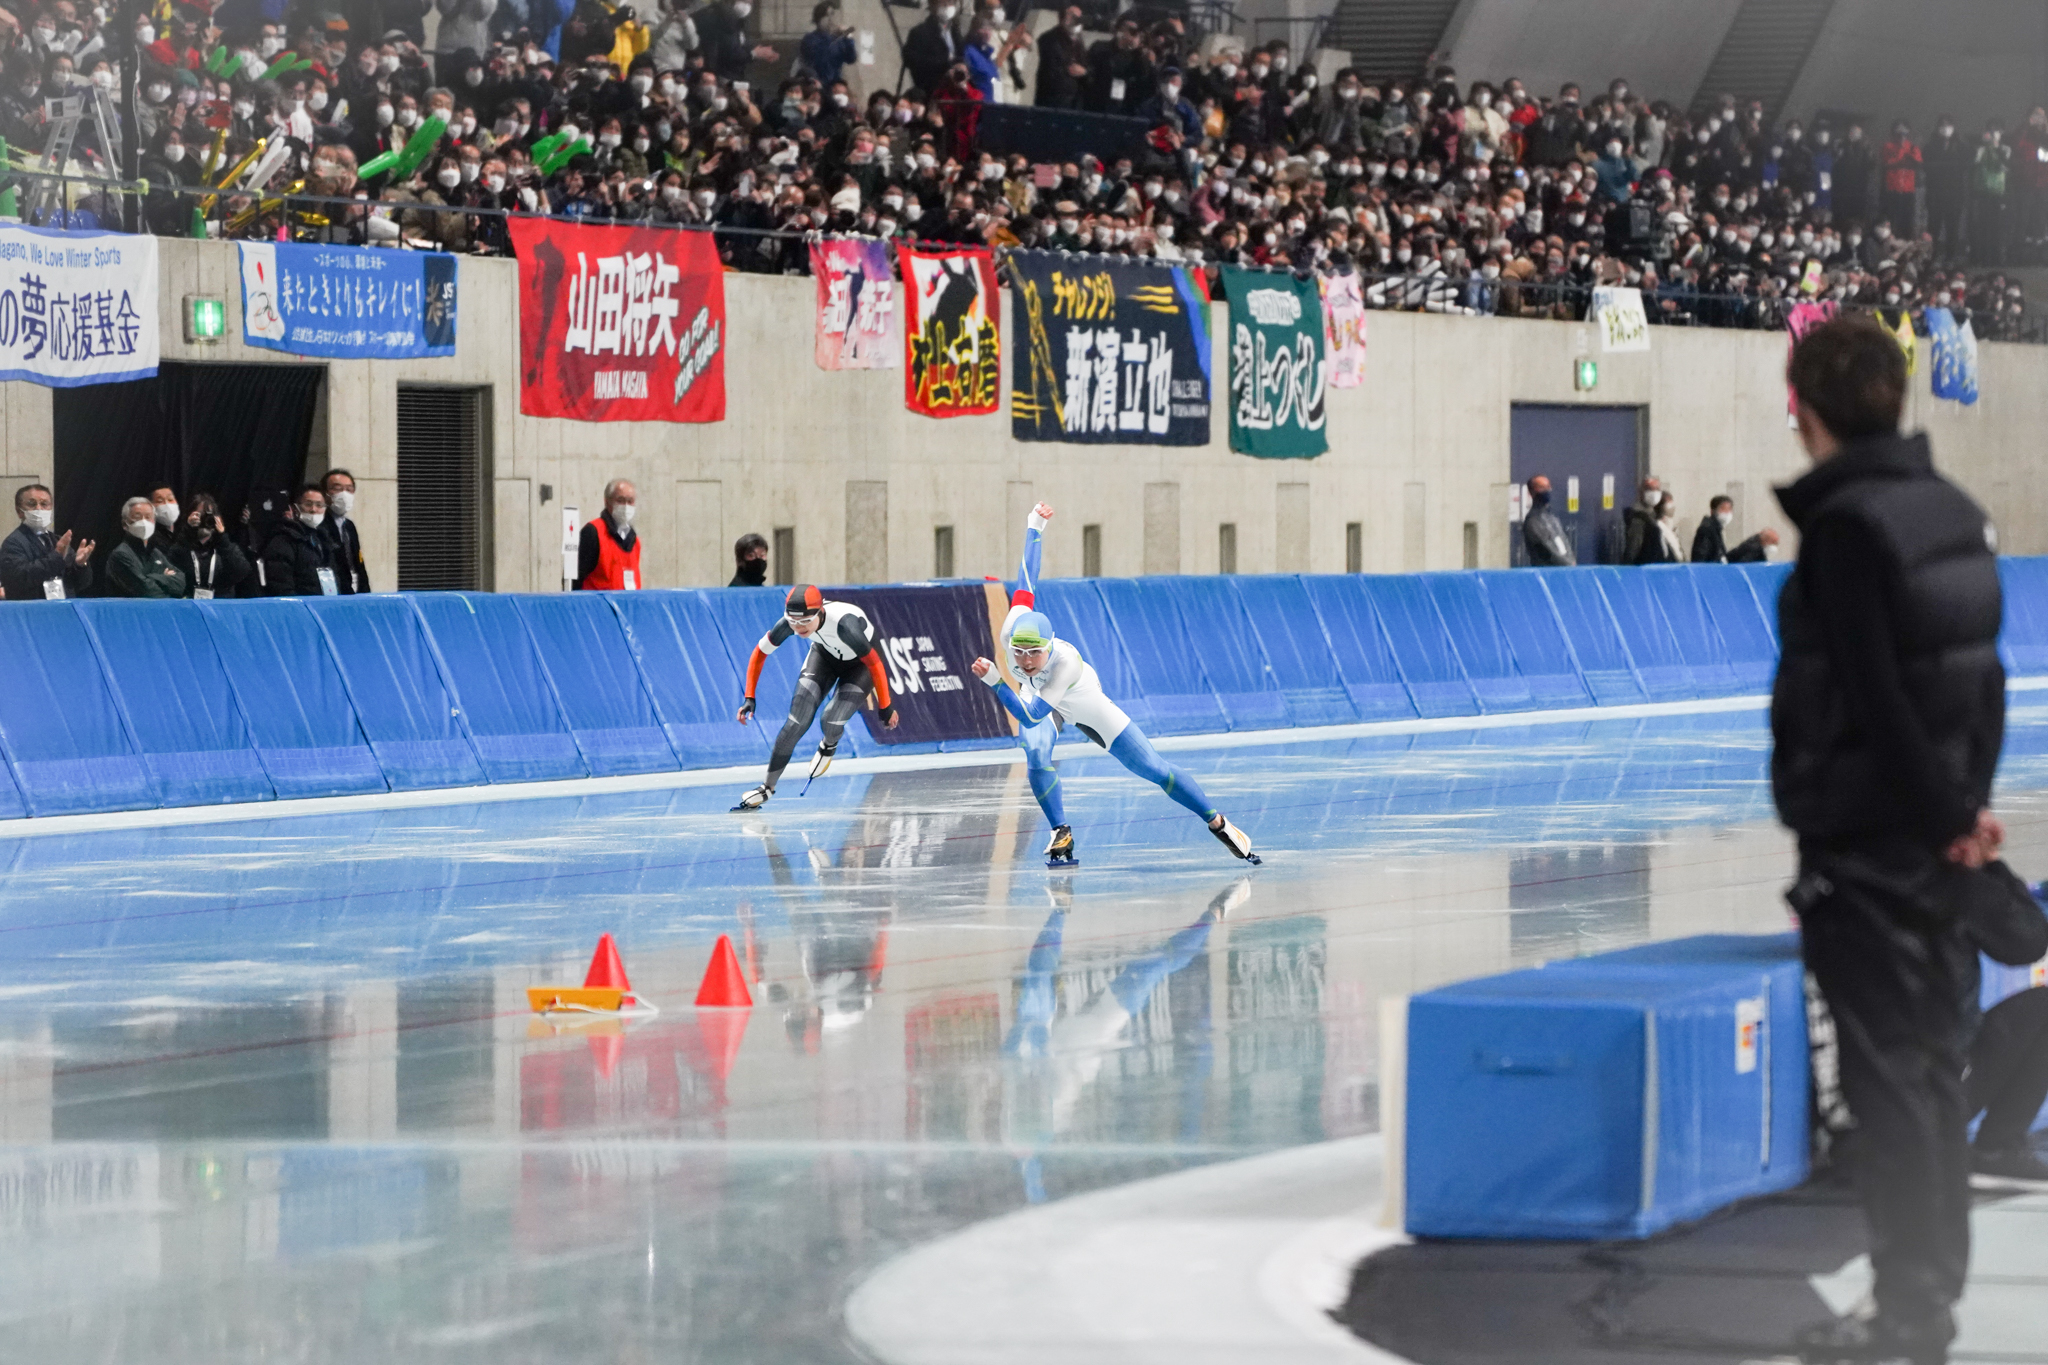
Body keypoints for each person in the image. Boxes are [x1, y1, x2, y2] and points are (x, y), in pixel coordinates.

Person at [1775, 315, 2005, 1365]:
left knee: (1887, 1088)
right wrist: (1965, 814)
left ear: (1803, 407)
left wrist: (1942, 816)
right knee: (1926, 1074)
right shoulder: (1951, 514)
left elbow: (1870, 698)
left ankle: (1906, 1308)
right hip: (1934, 845)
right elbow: (1981, 688)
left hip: (1870, 851)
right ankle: (1926, 1299)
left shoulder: (1848, 531)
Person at [969, 502, 1258, 868]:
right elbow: (1027, 578)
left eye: (1033, 654)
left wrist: (996, 680)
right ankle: (1062, 830)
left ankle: (1218, 822)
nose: (1025, 661)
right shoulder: (1013, 624)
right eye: (1019, 653)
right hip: (1038, 697)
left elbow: (1029, 716)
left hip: (1081, 698)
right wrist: (1035, 526)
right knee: (1036, 753)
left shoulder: (1064, 664)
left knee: (1154, 769)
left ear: (1049, 646)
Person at [731, 583, 899, 809]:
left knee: (830, 719)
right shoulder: (790, 623)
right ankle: (767, 787)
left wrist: (885, 707)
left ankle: (829, 743)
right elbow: (759, 653)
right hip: (824, 656)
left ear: (819, 612)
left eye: (804, 622)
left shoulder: (845, 626)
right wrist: (749, 696)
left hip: (860, 667)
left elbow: (876, 664)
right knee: (795, 721)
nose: (798, 628)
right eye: (793, 622)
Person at [0, 483, 92, 601]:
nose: (39, 508)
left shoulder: (58, 541)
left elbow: (82, 584)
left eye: (44, 504)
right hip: (33, 611)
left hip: (62, 609)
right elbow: (19, 579)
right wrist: (56, 556)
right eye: (32, 504)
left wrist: (80, 565)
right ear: (19, 511)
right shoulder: (13, 543)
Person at [168, 494, 253, 600]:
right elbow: (172, 563)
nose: (204, 521)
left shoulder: (224, 547)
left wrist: (222, 538)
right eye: (200, 515)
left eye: (209, 516)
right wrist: (188, 531)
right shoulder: (183, 545)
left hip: (219, 607)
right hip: (189, 606)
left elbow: (242, 571)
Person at [262, 485, 342, 596]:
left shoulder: (324, 539)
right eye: (308, 504)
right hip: (300, 607)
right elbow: (280, 584)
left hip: (326, 604)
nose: (314, 510)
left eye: (319, 505)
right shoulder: (284, 539)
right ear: (296, 508)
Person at [107, 496, 189, 599]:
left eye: (148, 517)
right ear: (125, 524)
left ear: (154, 521)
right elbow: (146, 591)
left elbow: (180, 583)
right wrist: (164, 578)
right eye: (137, 517)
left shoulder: (155, 553)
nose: (143, 521)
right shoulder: (121, 554)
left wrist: (151, 577)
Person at [576, 479, 641, 590]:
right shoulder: (593, 533)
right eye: (620, 500)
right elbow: (575, 577)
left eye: (630, 501)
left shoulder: (635, 541)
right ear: (607, 502)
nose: (626, 506)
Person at [321, 469, 370, 594]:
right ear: (325, 493)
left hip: (355, 588)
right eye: (337, 489)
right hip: (334, 590)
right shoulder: (319, 525)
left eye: (349, 489)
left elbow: (358, 561)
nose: (344, 494)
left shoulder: (349, 526)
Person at [901, 0, 958, 98]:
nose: (947, 7)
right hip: (931, 92)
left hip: (953, 93)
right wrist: (943, 62)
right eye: (943, 3)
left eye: (950, 3)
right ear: (932, 5)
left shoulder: (954, 31)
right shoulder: (920, 32)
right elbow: (912, 60)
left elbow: (961, 55)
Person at [1520, 475, 1574, 567]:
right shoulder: (1533, 521)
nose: (1547, 490)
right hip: (1548, 571)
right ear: (1532, 492)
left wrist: (1571, 561)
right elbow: (1548, 549)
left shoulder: (1552, 518)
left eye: (1548, 487)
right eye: (1542, 487)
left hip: (1564, 570)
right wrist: (1567, 564)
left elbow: (1563, 541)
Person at [1621, 475, 1662, 563]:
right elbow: (1632, 551)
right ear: (1641, 492)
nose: (1654, 493)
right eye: (1649, 489)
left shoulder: (1653, 515)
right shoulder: (1638, 519)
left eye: (1657, 489)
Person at [1690, 494, 1736, 563]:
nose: (1727, 513)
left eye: (1729, 509)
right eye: (1723, 509)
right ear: (1712, 511)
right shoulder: (1706, 530)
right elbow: (1700, 558)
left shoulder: (1716, 529)